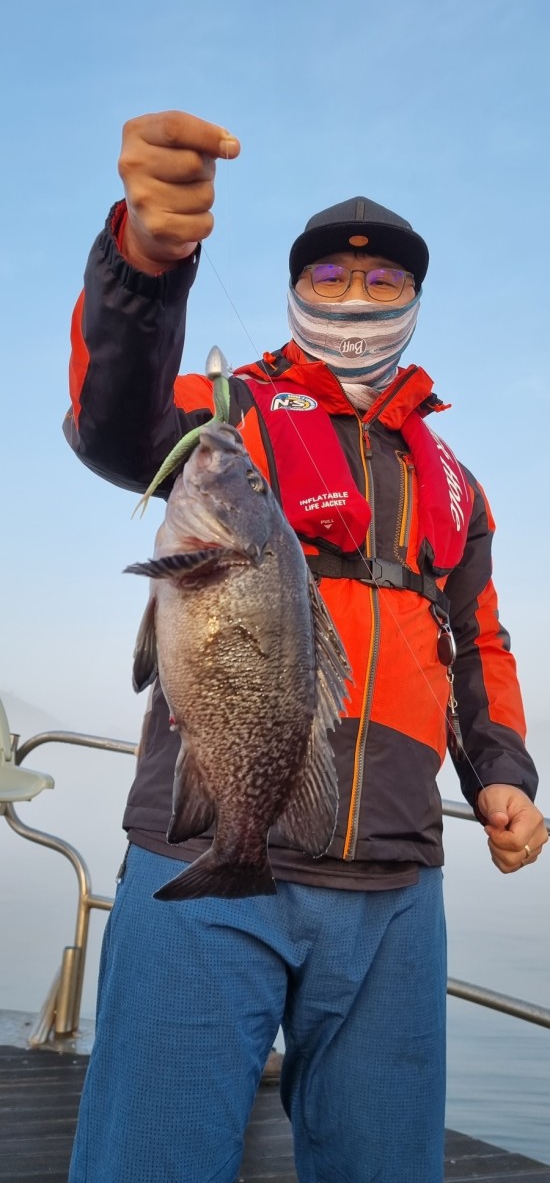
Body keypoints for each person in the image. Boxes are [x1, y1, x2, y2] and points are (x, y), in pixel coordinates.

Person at [64, 111, 548, 1183]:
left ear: (414, 300)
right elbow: (110, 420)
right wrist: (144, 265)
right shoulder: (225, 415)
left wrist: (504, 773)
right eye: (330, 274)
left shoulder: (454, 482)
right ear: (296, 290)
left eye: (383, 281)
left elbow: (479, 641)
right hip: (202, 847)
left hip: (395, 884)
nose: (356, 294)